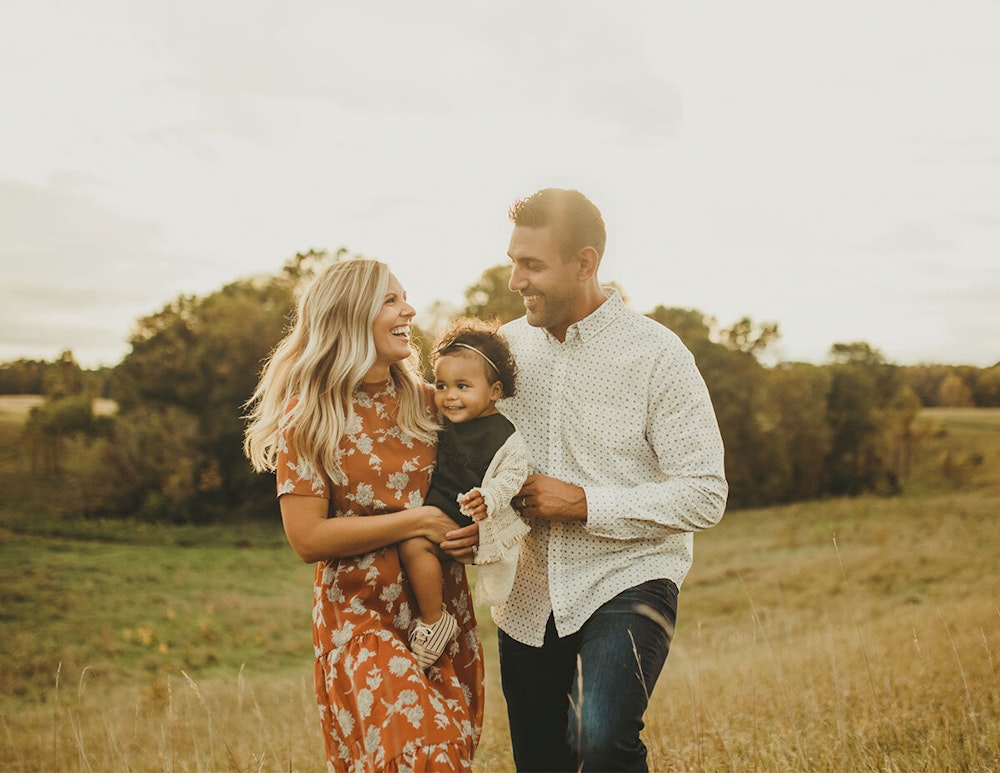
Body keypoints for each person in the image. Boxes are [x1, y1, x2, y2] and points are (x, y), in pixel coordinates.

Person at [486, 188, 728, 772]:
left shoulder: (657, 355)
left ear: (585, 263)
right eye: (514, 261)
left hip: (630, 576)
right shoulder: (504, 352)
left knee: (600, 742)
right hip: (527, 592)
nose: (516, 280)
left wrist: (585, 503)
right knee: (540, 760)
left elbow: (705, 492)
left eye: (533, 265)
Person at [242, 258, 484, 771]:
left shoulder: (433, 403)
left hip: (437, 613)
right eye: (391, 300)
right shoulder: (309, 416)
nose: (409, 310)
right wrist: (415, 521)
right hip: (359, 621)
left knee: (446, 752)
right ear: (350, 316)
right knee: (422, 754)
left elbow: (482, 483)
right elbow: (306, 537)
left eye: (405, 297)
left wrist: (476, 529)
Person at [399, 318, 533, 669]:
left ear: (494, 391)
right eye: (441, 385)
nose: (450, 396)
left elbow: (514, 476)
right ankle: (431, 617)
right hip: (435, 507)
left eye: (463, 386)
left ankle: (433, 620)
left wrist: (488, 498)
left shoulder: (505, 435)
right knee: (412, 550)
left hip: (464, 518)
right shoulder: (443, 419)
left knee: (414, 546)